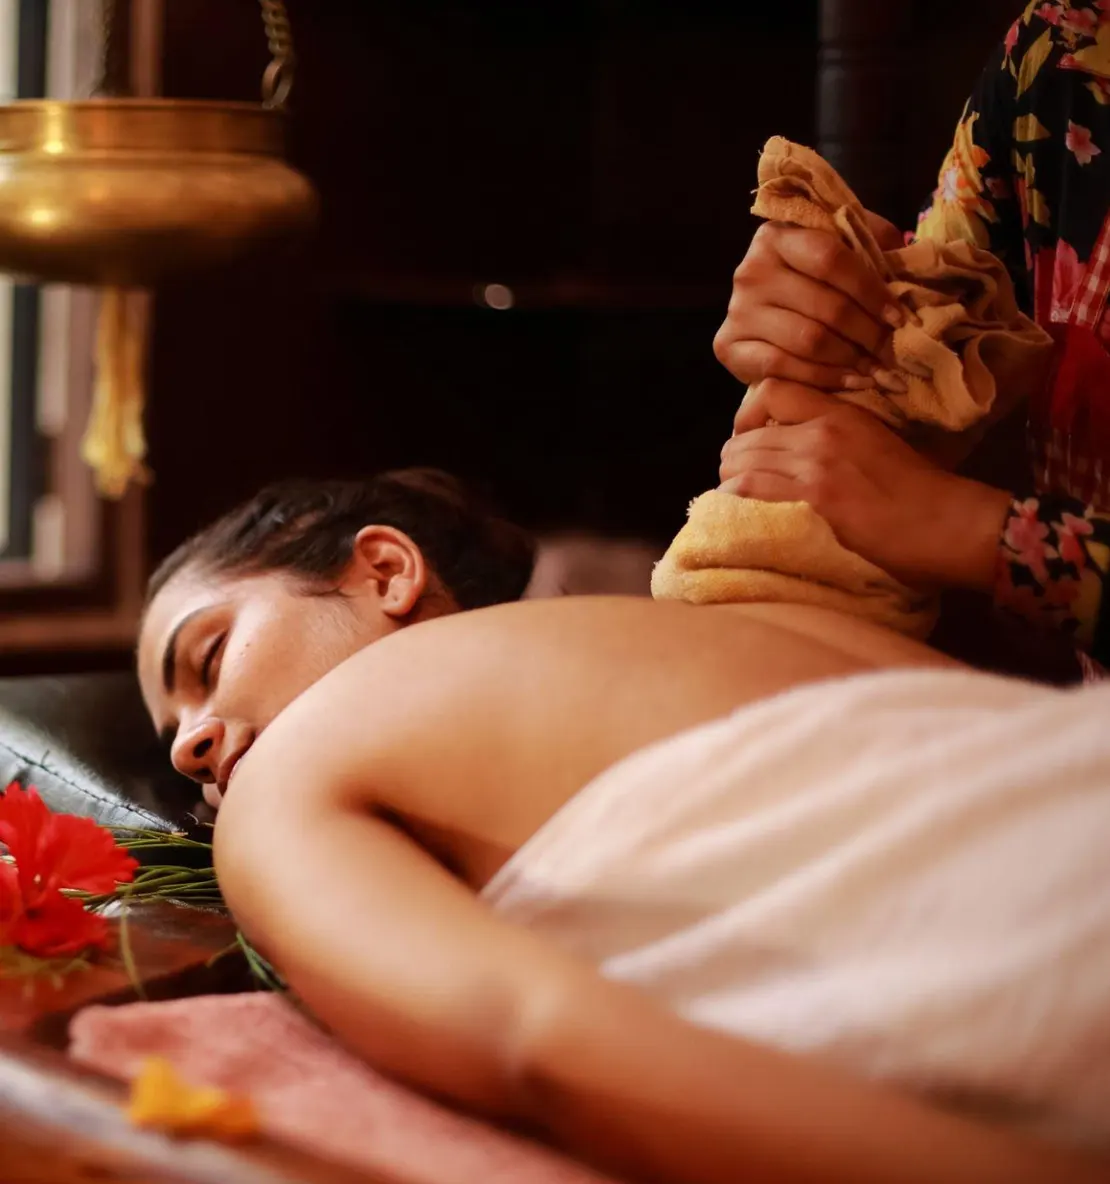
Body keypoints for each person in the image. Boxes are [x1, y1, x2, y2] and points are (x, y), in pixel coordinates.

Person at [138, 468, 1110, 1184]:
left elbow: (537, 1040)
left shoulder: (301, 763)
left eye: (210, 654)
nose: (190, 744)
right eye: (174, 731)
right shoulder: (745, 625)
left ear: (384, 569)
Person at [715, 3, 1110, 671]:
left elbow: (909, 507)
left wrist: (980, 533)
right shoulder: (1066, 45)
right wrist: (831, 314)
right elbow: (915, 350)